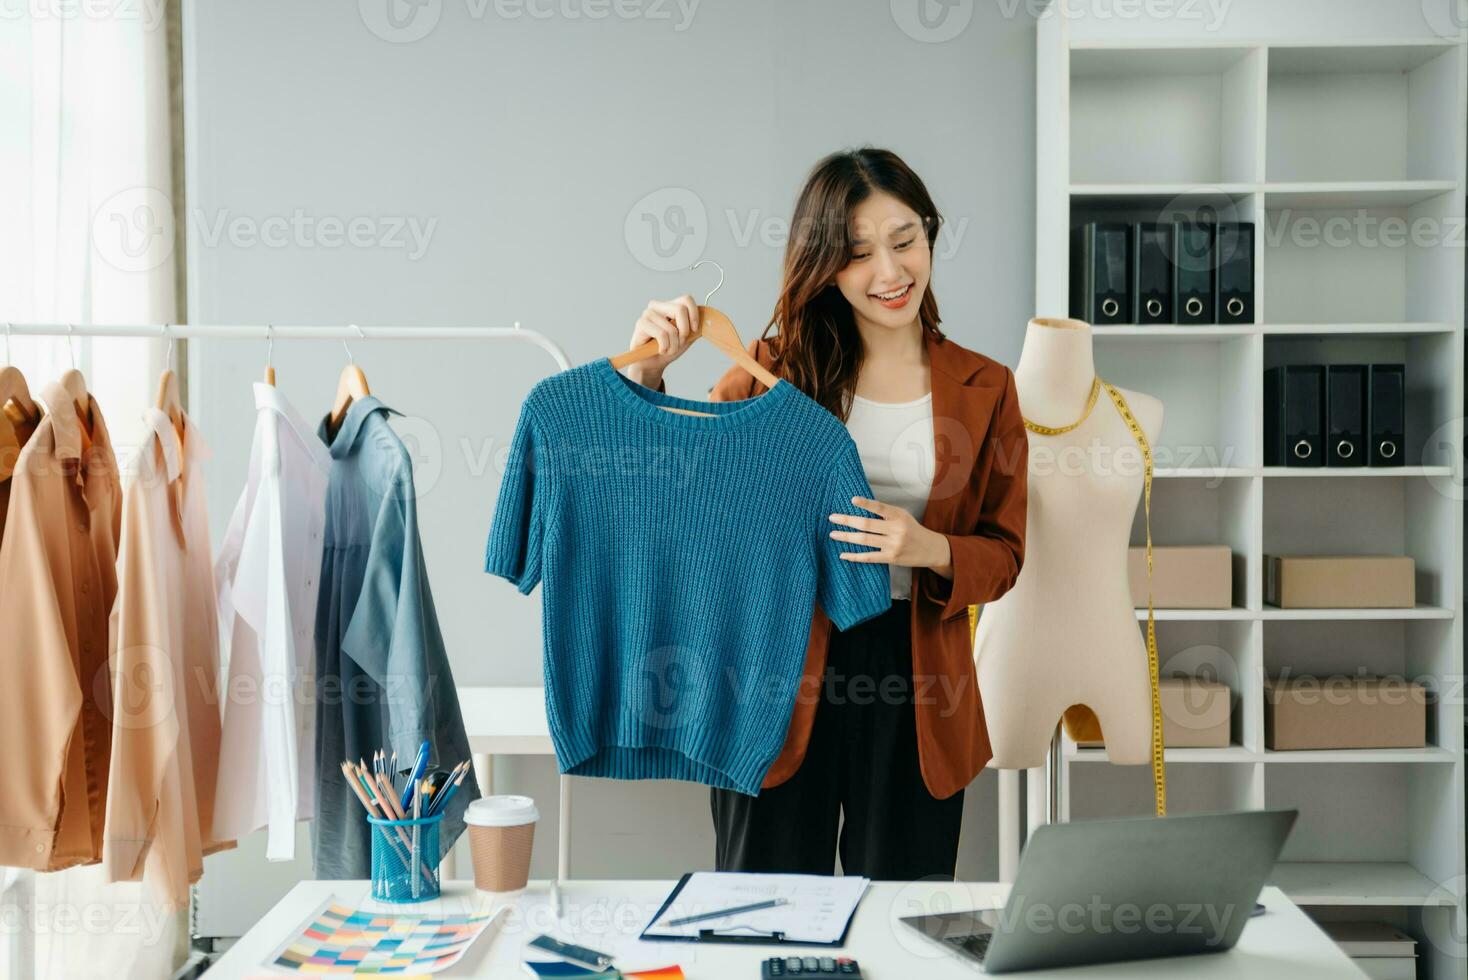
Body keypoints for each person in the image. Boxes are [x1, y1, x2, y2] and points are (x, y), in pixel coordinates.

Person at [624, 147, 1028, 881]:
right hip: (774, 668)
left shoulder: (987, 386)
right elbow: (675, 508)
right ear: (825, 265)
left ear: (930, 234)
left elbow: (1006, 552)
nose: (890, 272)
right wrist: (649, 370)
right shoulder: (768, 371)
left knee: (903, 920)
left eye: (905, 241)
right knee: (764, 914)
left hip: (915, 679)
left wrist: (930, 547)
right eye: (859, 253)